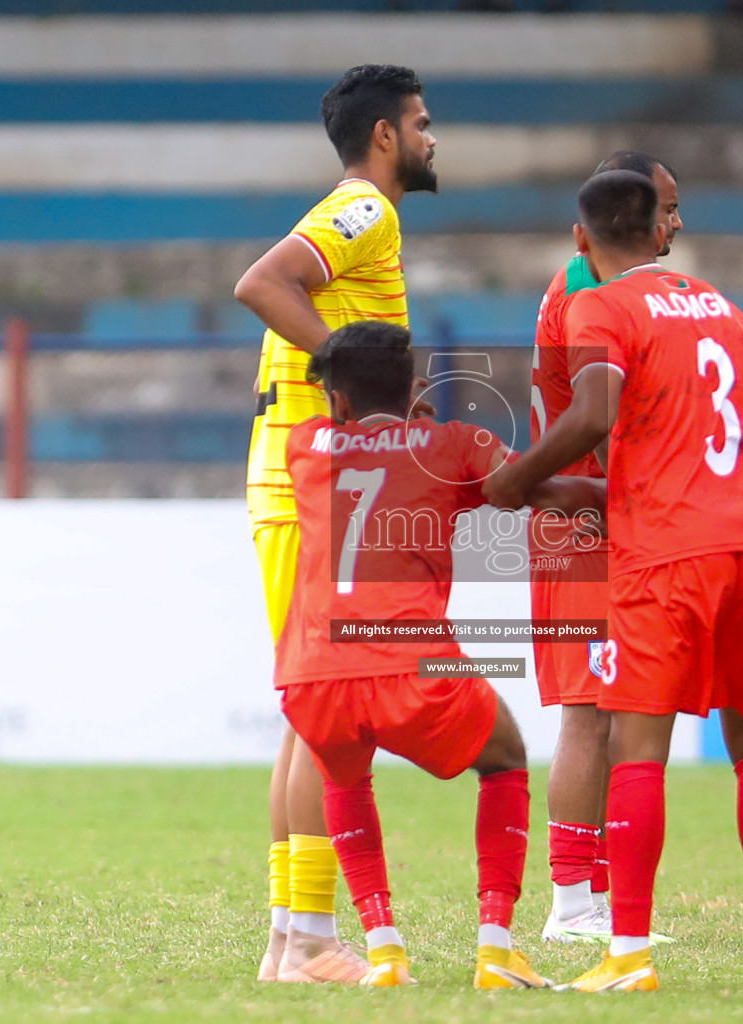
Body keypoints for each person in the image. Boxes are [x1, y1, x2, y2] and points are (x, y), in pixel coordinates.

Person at [484, 170, 743, 993]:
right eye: (672, 206)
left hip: (663, 543)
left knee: (631, 739)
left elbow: (595, 415)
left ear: (584, 235)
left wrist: (513, 482)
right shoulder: (721, 306)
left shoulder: (597, 304)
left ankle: (624, 952)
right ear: (657, 226)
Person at [279, 321, 602, 987]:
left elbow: (359, 438)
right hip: (409, 665)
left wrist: (389, 417)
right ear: (417, 388)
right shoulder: (453, 444)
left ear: (336, 401)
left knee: (342, 777)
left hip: (312, 673)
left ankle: (386, 949)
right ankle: (494, 946)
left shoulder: (304, 445)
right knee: (505, 758)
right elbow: (543, 494)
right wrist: (617, 496)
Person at [232, 62, 437, 983]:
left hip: (298, 482)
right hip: (317, 486)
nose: (434, 139)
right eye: (423, 123)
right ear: (385, 136)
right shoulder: (367, 208)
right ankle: (314, 939)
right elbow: (262, 282)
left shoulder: (365, 220)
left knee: (310, 718)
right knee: (330, 721)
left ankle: (287, 940)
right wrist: (358, 378)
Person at [529, 150, 682, 944]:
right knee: (590, 714)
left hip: (599, 521)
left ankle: (595, 898)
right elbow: (604, 419)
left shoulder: (598, 287)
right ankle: (570, 906)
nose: (676, 222)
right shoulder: (590, 290)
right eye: (666, 204)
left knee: (615, 712)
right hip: (587, 523)